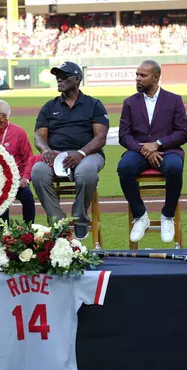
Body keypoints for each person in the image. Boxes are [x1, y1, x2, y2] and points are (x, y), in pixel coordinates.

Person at [31, 61, 109, 240]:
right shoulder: (49, 107)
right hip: (57, 155)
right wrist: (46, 150)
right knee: (38, 171)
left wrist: (80, 153)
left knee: (87, 172)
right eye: (57, 75)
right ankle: (59, 222)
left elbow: (100, 137)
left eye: (64, 76)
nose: (59, 78)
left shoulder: (93, 104)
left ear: (77, 79)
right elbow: (39, 136)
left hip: (88, 154)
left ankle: (80, 218)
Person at [117, 60, 187, 244]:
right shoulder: (130, 102)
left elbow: (182, 133)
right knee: (124, 167)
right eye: (137, 74)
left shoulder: (174, 100)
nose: (138, 78)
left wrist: (157, 144)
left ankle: (167, 216)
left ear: (156, 77)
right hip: (139, 150)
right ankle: (141, 216)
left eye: (143, 75)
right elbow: (124, 136)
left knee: (174, 167)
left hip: (168, 150)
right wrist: (144, 148)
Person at [0, 99, 36, 224]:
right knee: (0, 201)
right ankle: (4, 236)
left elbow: (29, 158)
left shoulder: (18, 133)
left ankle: (28, 230)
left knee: (27, 196)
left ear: (3, 117)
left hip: (16, 180)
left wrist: (25, 178)